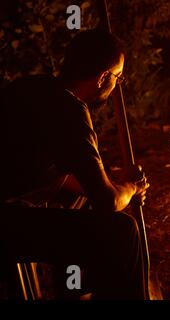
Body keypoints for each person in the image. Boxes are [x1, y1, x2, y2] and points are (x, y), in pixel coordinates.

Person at [0, 29, 149, 299]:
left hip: (10, 208)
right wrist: (130, 188)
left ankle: (74, 293)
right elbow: (108, 201)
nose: (117, 83)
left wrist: (109, 179)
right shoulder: (70, 110)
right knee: (122, 232)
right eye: (118, 76)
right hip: (7, 224)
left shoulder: (29, 88)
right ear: (103, 77)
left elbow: (41, 173)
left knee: (80, 202)